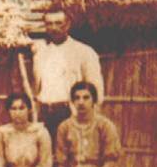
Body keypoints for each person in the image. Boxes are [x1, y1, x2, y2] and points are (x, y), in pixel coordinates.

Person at [32, 10, 104, 145]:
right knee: (46, 155)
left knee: (72, 154)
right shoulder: (41, 52)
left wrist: (88, 119)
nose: (54, 28)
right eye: (49, 24)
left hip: (69, 111)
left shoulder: (84, 52)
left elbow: (96, 89)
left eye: (58, 23)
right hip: (44, 113)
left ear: (67, 25)